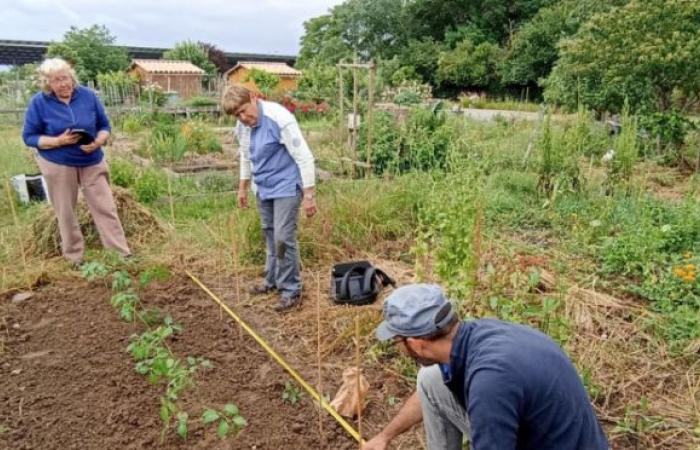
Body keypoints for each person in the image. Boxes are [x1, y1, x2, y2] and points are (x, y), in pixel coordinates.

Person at [364, 284, 609, 450]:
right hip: (549, 434)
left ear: (416, 343)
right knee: (430, 379)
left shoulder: (489, 385)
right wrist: (385, 436)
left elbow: (491, 397)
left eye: (396, 340)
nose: (397, 347)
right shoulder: (479, 335)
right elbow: (427, 393)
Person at [22, 58, 131, 265]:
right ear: (48, 84)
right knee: (66, 211)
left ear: (71, 77)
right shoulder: (39, 102)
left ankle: (120, 254)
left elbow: (104, 125)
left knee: (105, 206)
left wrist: (99, 140)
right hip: (58, 162)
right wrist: (57, 141)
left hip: (91, 159)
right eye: (56, 80)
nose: (62, 84)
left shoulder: (88, 96)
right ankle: (75, 257)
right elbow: (29, 136)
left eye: (65, 78)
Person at [221, 85, 317, 312]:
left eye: (245, 111)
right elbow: (246, 156)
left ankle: (291, 289)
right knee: (270, 233)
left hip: (285, 186)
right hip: (263, 187)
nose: (244, 118)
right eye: (238, 115)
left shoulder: (279, 117)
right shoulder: (243, 127)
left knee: (283, 237)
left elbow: (304, 157)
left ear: (254, 98)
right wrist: (243, 187)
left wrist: (310, 195)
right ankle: (272, 279)